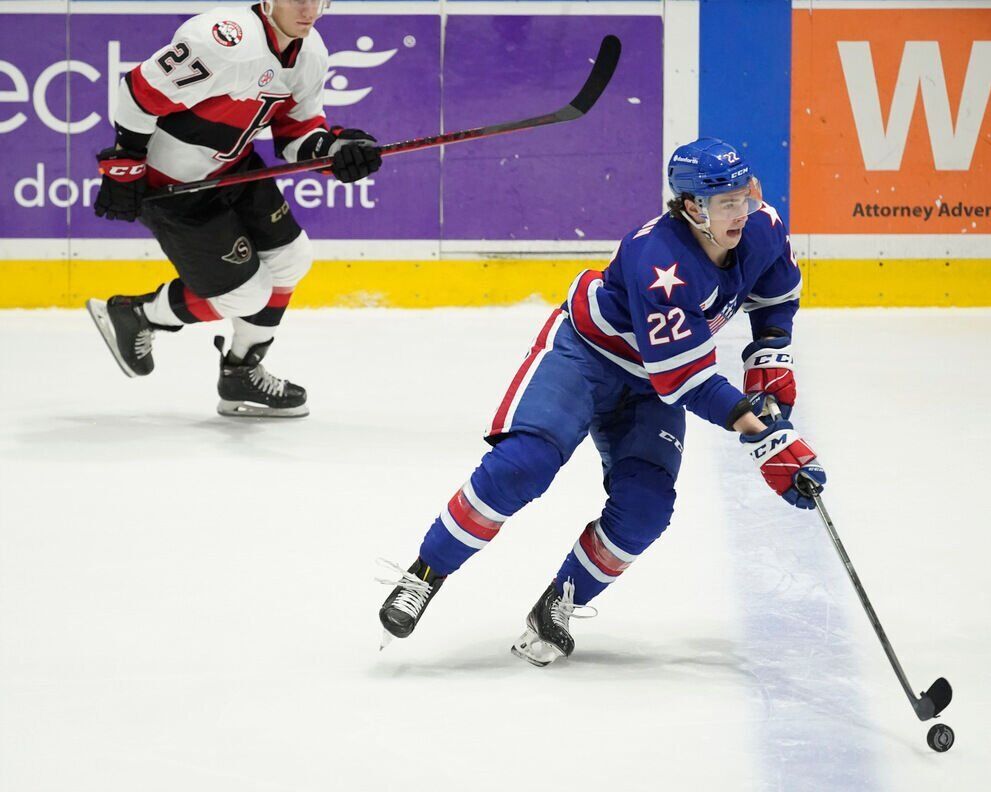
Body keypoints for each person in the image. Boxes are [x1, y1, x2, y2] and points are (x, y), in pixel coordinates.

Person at [377, 137, 827, 665]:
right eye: (724, 202)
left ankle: (558, 603)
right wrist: (765, 436)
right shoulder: (658, 260)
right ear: (691, 207)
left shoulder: (762, 227)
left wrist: (770, 351)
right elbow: (685, 379)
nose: (740, 212)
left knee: (646, 509)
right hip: (587, 358)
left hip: (651, 383)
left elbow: (776, 291)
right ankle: (425, 574)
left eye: (743, 197)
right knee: (523, 466)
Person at [86, 0, 382, 417]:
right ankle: (138, 314)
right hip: (174, 187)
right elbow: (137, 91)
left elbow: (296, 133)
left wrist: (336, 150)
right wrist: (126, 164)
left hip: (232, 170)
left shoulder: (311, 52)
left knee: (292, 258)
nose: (309, 8)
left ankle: (241, 372)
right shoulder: (224, 39)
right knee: (247, 294)